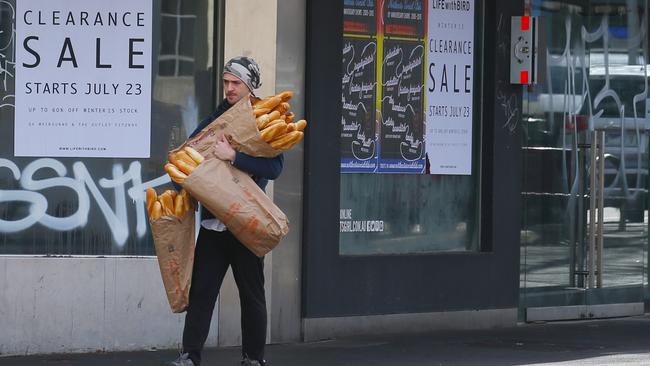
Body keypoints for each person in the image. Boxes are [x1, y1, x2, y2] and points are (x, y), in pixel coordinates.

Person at [163, 56, 282, 366]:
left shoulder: (263, 119)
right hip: (213, 226)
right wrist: (174, 195)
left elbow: (275, 167)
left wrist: (233, 156)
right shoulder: (217, 118)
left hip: (248, 225)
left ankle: (253, 359)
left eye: (235, 83)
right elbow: (189, 155)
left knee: (252, 296)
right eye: (227, 82)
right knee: (202, 295)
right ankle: (189, 356)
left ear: (250, 86)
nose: (229, 89)